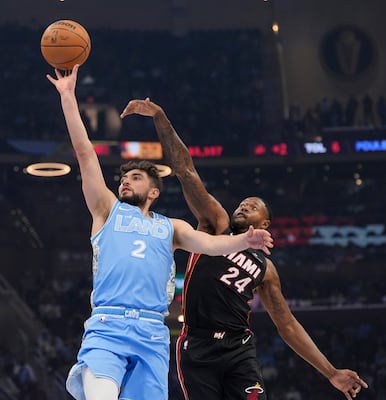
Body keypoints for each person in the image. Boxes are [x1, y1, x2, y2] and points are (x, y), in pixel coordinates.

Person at [46, 66, 274, 400]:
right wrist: (68, 97)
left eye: (135, 177)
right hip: (108, 326)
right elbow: (84, 152)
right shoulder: (107, 210)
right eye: (123, 178)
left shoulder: (172, 228)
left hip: (152, 333)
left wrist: (245, 240)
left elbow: (211, 244)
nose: (125, 181)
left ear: (154, 191)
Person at [120, 98, 369, 400]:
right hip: (197, 348)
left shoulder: (266, 269)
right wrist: (161, 118)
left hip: (238, 349)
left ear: (265, 223)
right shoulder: (216, 226)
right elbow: (186, 172)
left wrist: (331, 372)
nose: (243, 205)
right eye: (242, 203)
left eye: (253, 206)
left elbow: (287, 325)